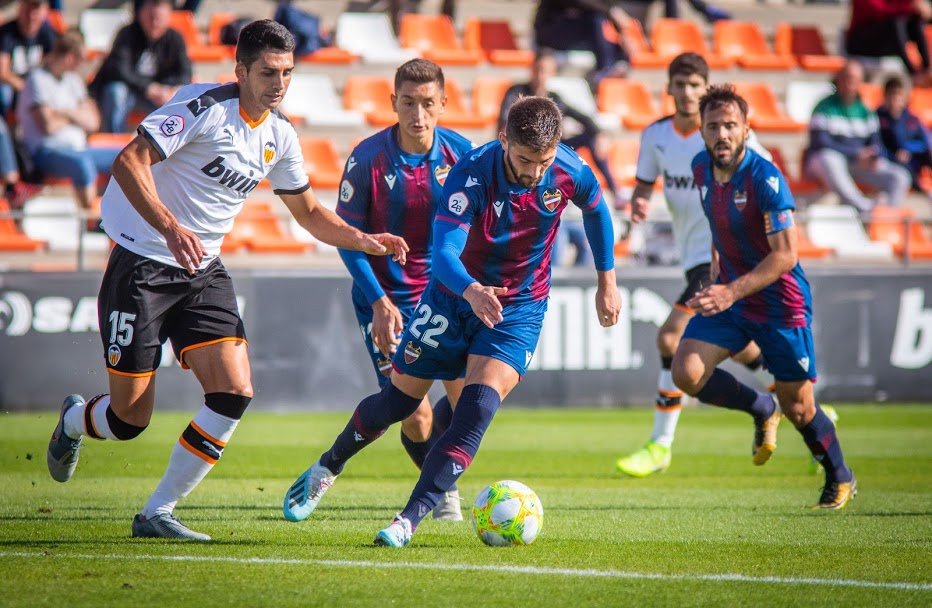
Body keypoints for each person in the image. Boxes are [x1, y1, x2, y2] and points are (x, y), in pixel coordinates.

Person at [45, 19, 408, 541]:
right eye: (267, 72)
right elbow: (129, 161)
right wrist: (169, 228)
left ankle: (157, 513)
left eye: (286, 72)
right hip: (142, 263)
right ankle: (77, 421)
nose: (279, 83)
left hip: (201, 268)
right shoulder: (202, 107)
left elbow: (306, 211)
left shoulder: (280, 135)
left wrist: (364, 239)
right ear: (239, 70)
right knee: (129, 420)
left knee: (235, 391)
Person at [282, 95, 621, 547]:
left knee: (477, 408)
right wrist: (472, 291)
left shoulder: (568, 168)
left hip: (518, 306)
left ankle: (408, 519)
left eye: (542, 161)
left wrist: (607, 279)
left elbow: (597, 210)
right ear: (504, 140)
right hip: (452, 298)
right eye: (524, 160)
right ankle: (329, 465)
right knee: (399, 406)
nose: (535, 172)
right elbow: (442, 254)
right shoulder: (471, 174)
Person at [673, 84, 857, 510]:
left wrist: (729, 290)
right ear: (701, 130)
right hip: (733, 299)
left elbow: (786, 254)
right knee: (686, 371)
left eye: (731, 126)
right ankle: (760, 407)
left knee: (800, 407)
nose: (722, 134)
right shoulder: (701, 168)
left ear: (746, 129)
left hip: (780, 305)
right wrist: (719, 272)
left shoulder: (765, 178)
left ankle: (840, 475)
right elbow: (718, 225)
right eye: (714, 125)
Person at [615, 52, 774, 478]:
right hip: (693, 257)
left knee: (671, 339)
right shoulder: (656, 136)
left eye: (694, 84)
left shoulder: (730, 138)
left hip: (724, 255)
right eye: (679, 84)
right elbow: (645, 185)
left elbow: (768, 182)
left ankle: (660, 443)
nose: (686, 92)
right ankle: (801, 405)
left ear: (706, 89)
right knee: (738, 345)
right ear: (668, 88)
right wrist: (641, 203)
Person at [334, 58, 474, 521]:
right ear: (393, 102)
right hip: (386, 298)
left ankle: (439, 485)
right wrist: (377, 301)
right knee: (413, 415)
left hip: (445, 297)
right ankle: (439, 485)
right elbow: (347, 239)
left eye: (428, 104)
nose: (418, 114)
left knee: (469, 398)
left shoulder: (463, 155)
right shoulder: (367, 158)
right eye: (409, 103)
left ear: (444, 104)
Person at [498, 48, 623, 267]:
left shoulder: (554, 99)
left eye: (545, 70)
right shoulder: (517, 92)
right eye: (537, 69)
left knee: (593, 139)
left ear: (552, 73)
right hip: (520, 150)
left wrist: (601, 134)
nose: (540, 75)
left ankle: (616, 189)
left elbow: (585, 119)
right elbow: (504, 122)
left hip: (549, 151)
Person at [15, 29, 120, 214]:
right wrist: (76, 115)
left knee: (124, 157)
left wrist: (64, 113)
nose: (82, 65)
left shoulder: (73, 81)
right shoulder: (37, 80)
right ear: (70, 57)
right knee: (82, 164)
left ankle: (120, 215)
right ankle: (94, 222)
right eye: (80, 59)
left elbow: (93, 122)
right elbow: (48, 126)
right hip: (45, 151)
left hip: (79, 148)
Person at [803, 60, 912, 213]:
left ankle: (886, 220)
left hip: (857, 164)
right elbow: (820, 142)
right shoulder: (824, 107)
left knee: (900, 177)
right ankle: (863, 207)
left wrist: (873, 156)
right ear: (838, 80)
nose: (849, 84)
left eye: (854, 80)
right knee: (829, 159)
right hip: (826, 163)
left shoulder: (866, 110)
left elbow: (876, 143)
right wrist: (855, 154)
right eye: (846, 78)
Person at [90, 0, 192, 133]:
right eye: (151, 17)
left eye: (159, 18)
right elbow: (119, 70)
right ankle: (114, 140)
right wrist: (148, 87)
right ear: (140, 14)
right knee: (116, 91)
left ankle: (170, 144)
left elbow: (185, 74)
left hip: (159, 95)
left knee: (184, 94)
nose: (154, 23)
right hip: (131, 92)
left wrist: (166, 90)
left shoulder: (175, 38)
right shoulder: (127, 34)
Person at [533, 0, 632, 85]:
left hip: (575, 32)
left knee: (598, 23)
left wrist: (621, 30)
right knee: (595, 19)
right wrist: (611, 12)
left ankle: (617, 62)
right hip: (549, 32)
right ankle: (607, 67)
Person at [845, 0, 932, 86]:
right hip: (859, 43)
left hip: (881, 41)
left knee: (914, 21)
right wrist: (911, 7)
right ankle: (914, 74)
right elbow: (879, 11)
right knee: (896, 23)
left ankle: (927, 69)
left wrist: (918, 5)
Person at [0, 0, 57, 117]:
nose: (31, 16)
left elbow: (53, 65)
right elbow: (2, 72)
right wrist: (26, 87)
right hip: (13, 84)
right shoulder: (6, 33)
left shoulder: (47, 33)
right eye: (28, 9)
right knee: (4, 93)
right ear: (20, 9)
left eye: (35, 10)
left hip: (36, 83)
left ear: (44, 12)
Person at [877, 75, 932, 196]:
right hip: (892, 161)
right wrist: (895, 154)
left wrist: (907, 149)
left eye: (898, 95)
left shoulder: (912, 119)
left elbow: (923, 142)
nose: (895, 99)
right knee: (901, 171)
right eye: (892, 94)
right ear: (885, 95)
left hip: (913, 159)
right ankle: (923, 190)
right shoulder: (879, 118)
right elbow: (878, 144)